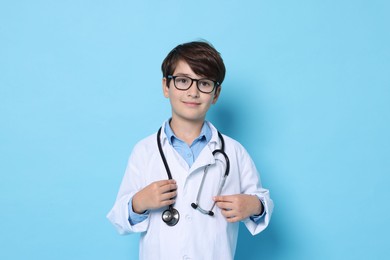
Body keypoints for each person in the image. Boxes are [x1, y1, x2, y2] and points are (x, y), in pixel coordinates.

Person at [107, 40, 274, 260]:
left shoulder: (234, 152)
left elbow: (263, 202)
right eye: (183, 81)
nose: (193, 92)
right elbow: (119, 219)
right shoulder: (144, 151)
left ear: (216, 94)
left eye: (204, 83)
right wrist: (139, 202)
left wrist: (254, 205)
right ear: (166, 86)